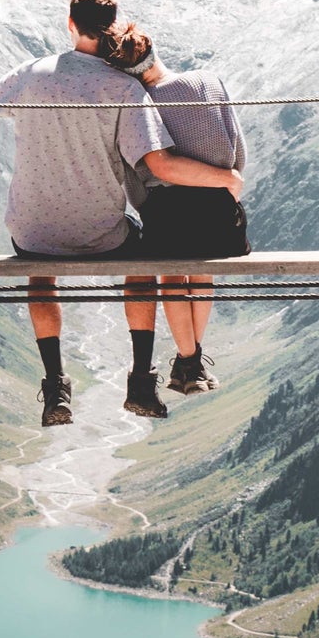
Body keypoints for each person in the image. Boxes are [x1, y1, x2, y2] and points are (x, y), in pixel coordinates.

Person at [0, 0, 244, 428]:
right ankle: (140, 381)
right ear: (112, 26)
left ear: (70, 23)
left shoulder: (32, 73)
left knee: (40, 268)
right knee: (143, 258)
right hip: (101, 232)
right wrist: (225, 179)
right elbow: (159, 163)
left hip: (32, 228)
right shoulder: (123, 87)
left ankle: (56, 384)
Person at [106, 26, 248, 397]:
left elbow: (139, 177)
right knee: (202, 276)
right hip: (221, 213)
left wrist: (146, 205)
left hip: (169, 215)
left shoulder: (139, 104)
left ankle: (190, 360)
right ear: (153, 48)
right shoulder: (208, 81)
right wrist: (224, 182)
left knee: (171, 277)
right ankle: (191, 362)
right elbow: (239, 155)